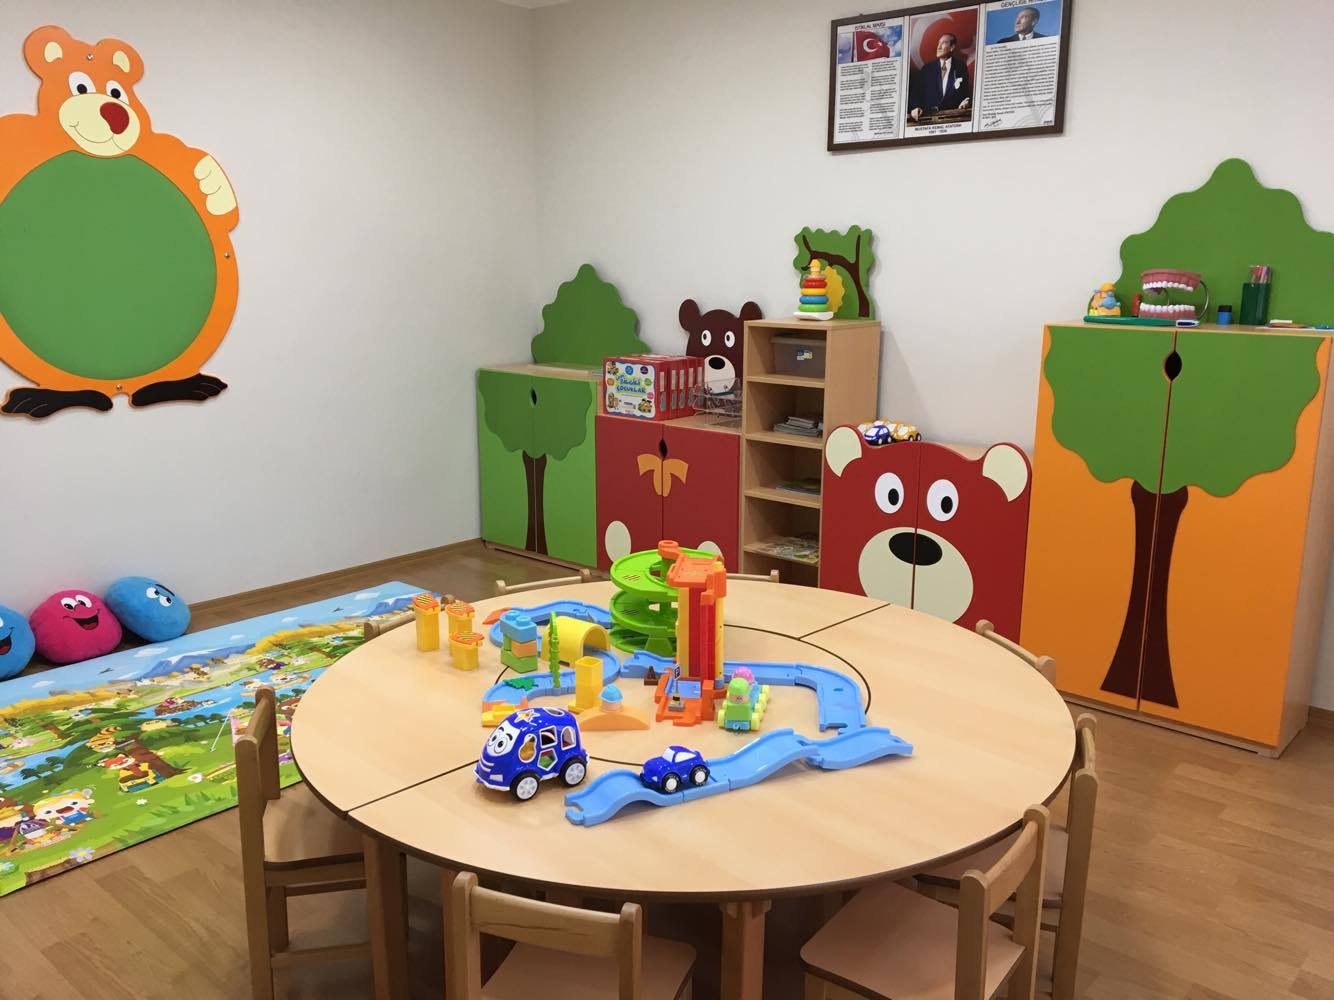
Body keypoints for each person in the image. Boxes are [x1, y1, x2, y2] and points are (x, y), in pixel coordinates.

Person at [908, 33, 972, 122]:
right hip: (928, 119)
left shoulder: (961, 67)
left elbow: (964, 93)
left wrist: (966, 101)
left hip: (952, 118)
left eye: (943, 43)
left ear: (952, 47)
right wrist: (915, 107)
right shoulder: (927, 69)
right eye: (938, 43)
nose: (938, 47)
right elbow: (915, 94)